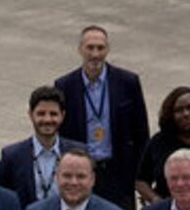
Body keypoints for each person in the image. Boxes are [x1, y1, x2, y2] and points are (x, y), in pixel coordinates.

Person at [52, 24, 150, 199]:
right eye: (90, 47)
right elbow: (60, 132)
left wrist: (140, 176)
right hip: (82, 172)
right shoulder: (65, 86)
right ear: (80, 49)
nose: (95, 54)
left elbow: (141, 131)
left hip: (119, 171)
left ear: (108, 50)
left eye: (100, 48)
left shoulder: (128, 82)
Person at [140, 87, 190, 210]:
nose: (186, 114)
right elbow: (141, 180)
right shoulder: (158, 142)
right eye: (179, 110)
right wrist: (155, 200)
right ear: (171, 115)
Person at [0, 87, 73, 210]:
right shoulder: (11, 156)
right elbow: (0, 198)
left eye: (53, 114)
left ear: (63, 115)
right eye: (41, 114)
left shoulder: (79, 154)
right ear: (30, 115)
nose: (47, 120)